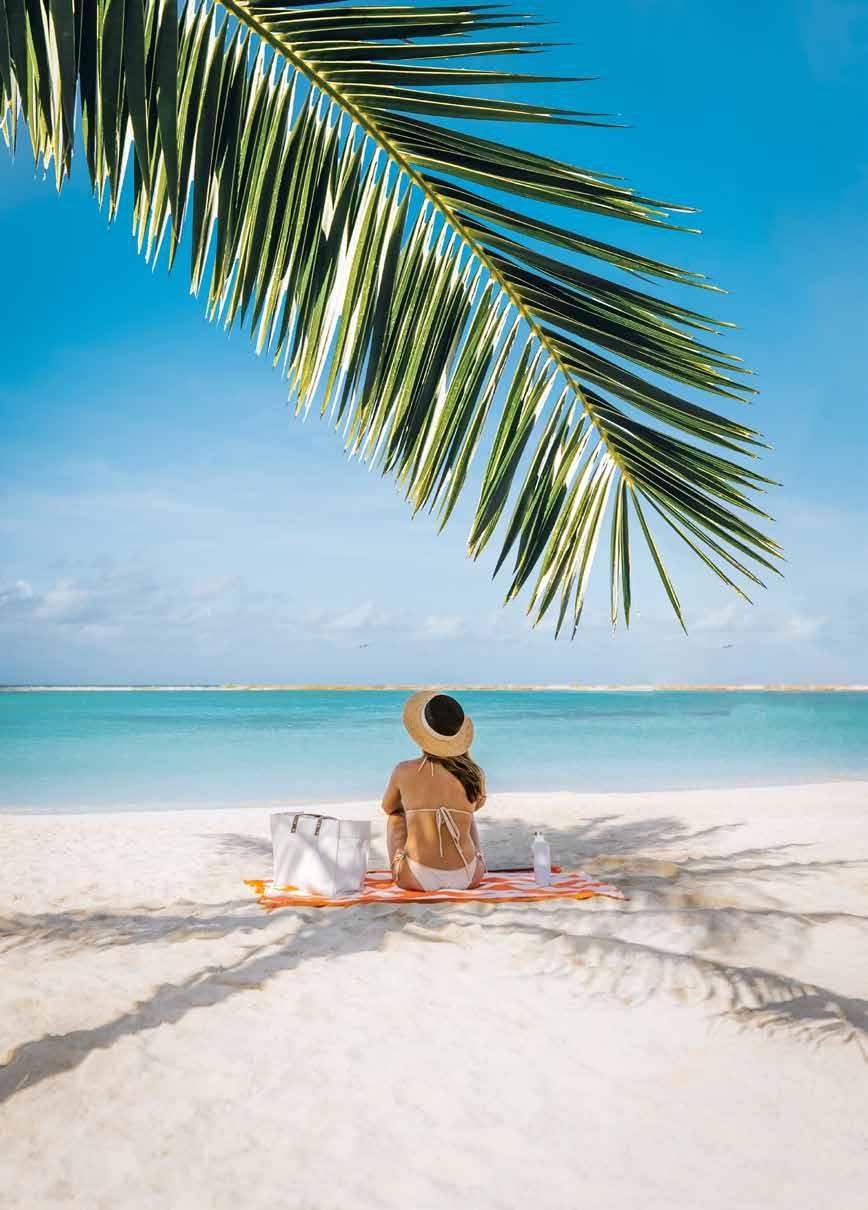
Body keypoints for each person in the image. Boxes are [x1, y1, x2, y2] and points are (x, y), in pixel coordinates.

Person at [382, 691, 487, 891]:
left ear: (423, 734)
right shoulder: (473, 774)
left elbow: (388, 808)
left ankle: (405, 863)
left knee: (395, 816)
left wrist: (415, 804)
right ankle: (476, 857)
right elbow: (476, 806)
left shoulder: (403, 770)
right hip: (469, 876)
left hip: (415, 877)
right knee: (468, 816)